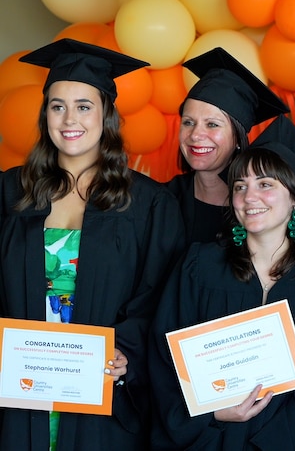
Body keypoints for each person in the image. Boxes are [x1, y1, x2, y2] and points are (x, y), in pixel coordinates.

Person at [0, 39, 185, 450]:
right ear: (45, 113)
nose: (70, 119)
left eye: (84, 106)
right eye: (57, 105)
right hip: (18, 395)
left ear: (106, 115)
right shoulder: (9, 190)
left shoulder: (149, 204)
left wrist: (127, 354)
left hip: (101, 399)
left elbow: (158, 298)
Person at [149, 141, 295, 450]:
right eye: (240, 186)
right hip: (205, 440)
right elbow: (165, 359)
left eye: (265, 184)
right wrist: (212, 414)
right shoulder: (198, 268)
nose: (249, 197)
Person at [166, 47, 291, 243]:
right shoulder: (162, 199)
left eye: (212, 124)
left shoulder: (262, 206)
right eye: (188, 122)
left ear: (238, 138)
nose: (196, 134)